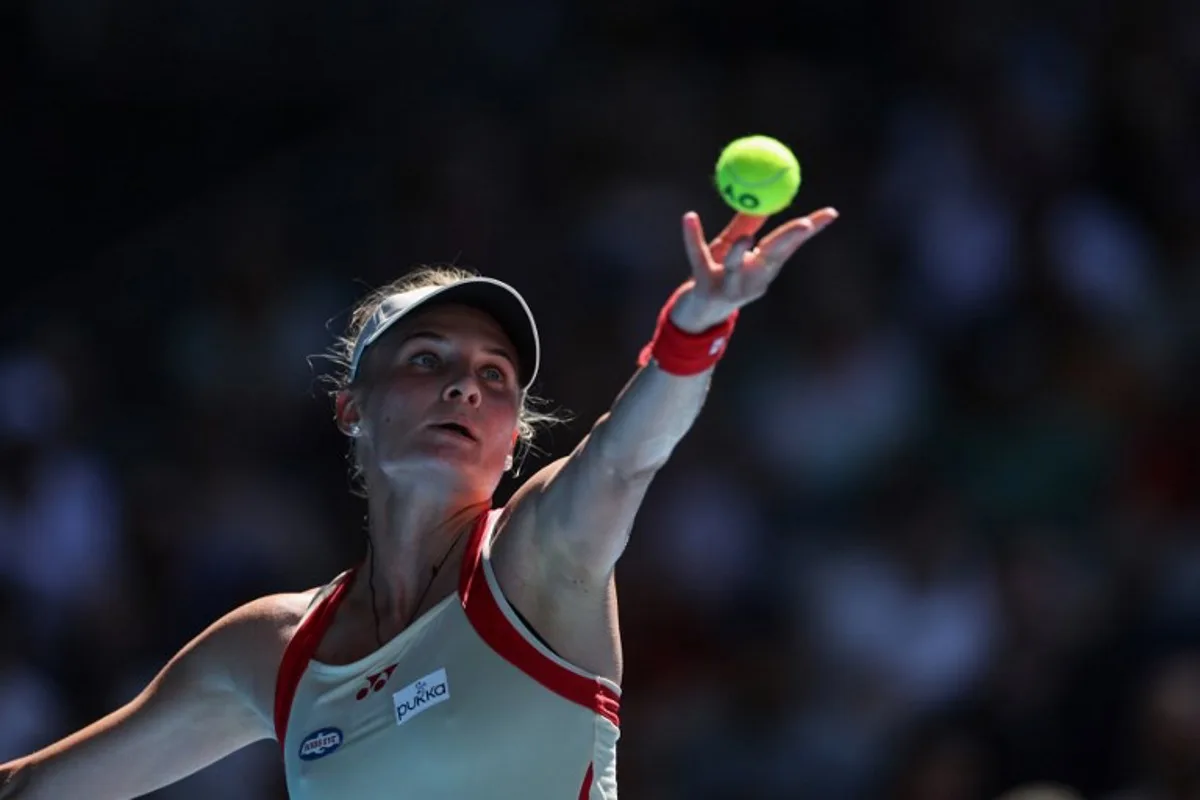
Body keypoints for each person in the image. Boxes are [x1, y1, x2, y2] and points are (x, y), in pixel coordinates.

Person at [0, 204, 838, 799]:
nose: (464, 388)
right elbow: (42, 789)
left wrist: (696, 330)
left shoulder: (537, 559)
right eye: (427, 360)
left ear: (515, 439)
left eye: (494, 377)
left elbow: (624, 461)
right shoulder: (272, 650)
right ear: (352, 408)